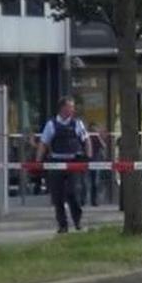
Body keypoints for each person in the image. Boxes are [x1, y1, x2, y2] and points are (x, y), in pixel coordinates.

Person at [37, 97, 90, 233]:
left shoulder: (77, 124)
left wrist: (88, 157)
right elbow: (43, 143)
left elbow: (86, 140)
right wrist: (38, 162)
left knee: (73, 192)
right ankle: (62, 225)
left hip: (73, 163)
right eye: (70, 107)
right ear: (62, 108)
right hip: (56, 162)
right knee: (58, 196)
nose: (72, 109)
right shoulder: (51, 124)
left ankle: (77, 220)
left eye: (73, 107)